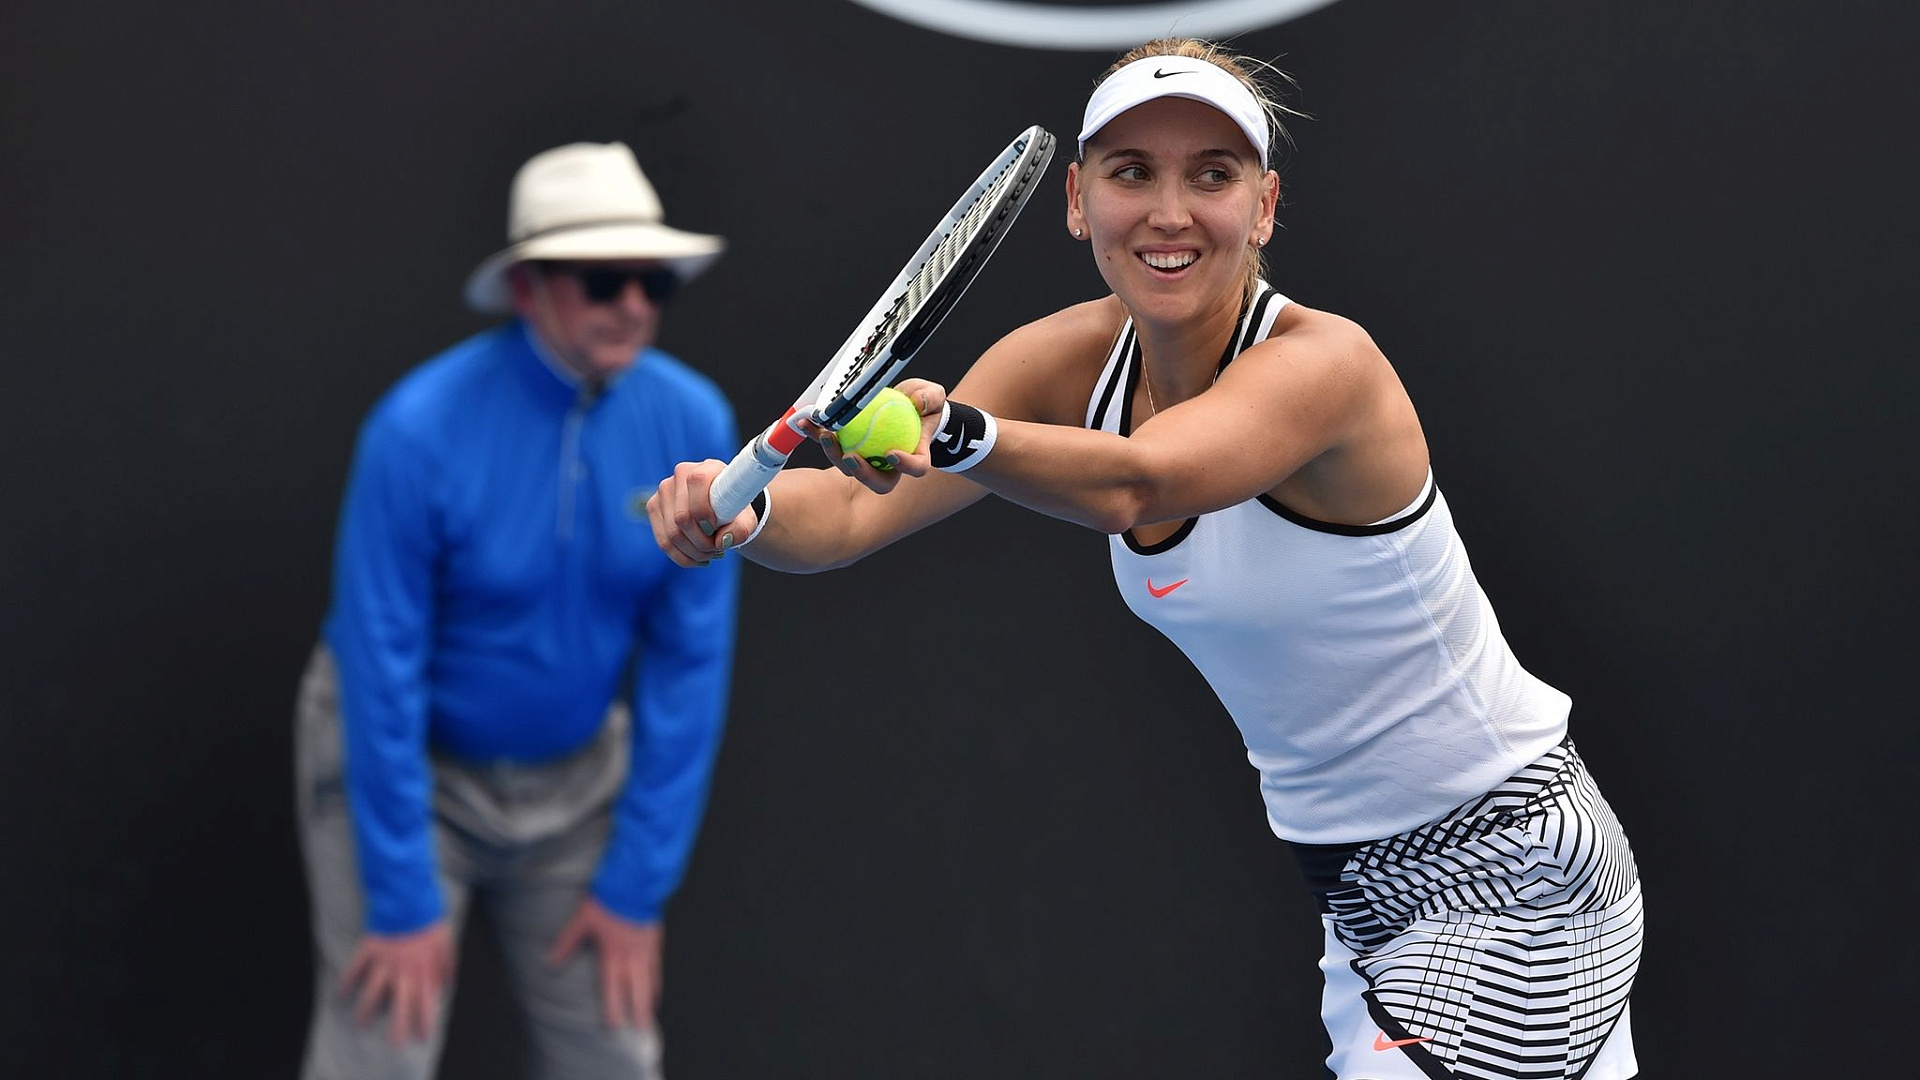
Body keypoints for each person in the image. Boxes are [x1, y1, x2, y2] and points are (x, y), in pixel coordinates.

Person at [649, 38, 1642, 1080]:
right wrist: (744, 513)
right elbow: (850, 518)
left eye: (1212, 176)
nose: (1171, 213)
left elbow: (1143, 480)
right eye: (1133, 174)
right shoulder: (1066, 360)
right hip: (1359, 898)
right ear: (1079, 202)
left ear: (1263, 207)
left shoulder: (1326, 366)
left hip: (1511, 872)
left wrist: (957, 434)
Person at [296, 141, 738, 1080]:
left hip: (574, 792)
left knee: (615, 1057)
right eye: (603, 279)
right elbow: (378, 664)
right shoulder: (415, 431)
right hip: (408, 779)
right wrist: (401, 894)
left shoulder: (694, 426)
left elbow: (690, 665)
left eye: (654, 281)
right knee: (381, 1052)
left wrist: (636, 886)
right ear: (530, 288)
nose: (633, 305)